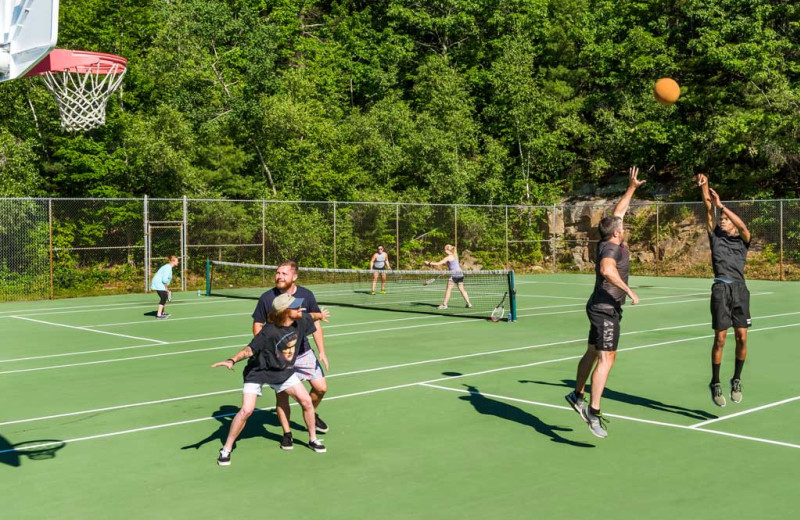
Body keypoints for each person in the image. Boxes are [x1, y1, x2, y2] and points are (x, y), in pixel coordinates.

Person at [565, 166, 643, 438]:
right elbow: (607, 271)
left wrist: (631, 187)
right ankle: (593, 412)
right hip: (605, 309)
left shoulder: (610, 235)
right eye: (622, 225)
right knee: (607, 358)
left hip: (599, 306)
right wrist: (629, 291)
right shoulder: (611, 248)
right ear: (617, 233)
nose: (624, 224)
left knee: (591, 352)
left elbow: (619, 212)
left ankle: (577, 396)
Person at [212, 293, 331, 465]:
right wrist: (232, 360)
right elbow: (249, 350)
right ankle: (226, 449)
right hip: (258, 372)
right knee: (246, 410)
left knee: (306, 401)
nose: (300, 308)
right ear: (284, 311)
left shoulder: (301, 320)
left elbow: (311, 316)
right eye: (295, 306)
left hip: (282, 371)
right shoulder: (268, 331)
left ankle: (313, 439)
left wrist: (321, 315)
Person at [252, 261, 330, 442]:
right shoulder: (267, 298)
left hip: (303, 352)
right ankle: (287, 435)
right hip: (280, 357)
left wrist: (322, 351)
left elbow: (315, 322)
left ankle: (311, 411)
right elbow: (257, 324)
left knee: (321, 388)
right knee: (282, 396)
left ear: (294, 277)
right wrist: (266, 348)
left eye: (284, 274)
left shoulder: (306, 295)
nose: (279, 276)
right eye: (277, 273)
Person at [696, 173, 751, 407]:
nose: (722, 222)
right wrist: (705, 186)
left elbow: (742, 225)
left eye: (725, 221)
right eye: (721, 220)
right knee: (720, 339)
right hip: (721, 289)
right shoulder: (715, 237)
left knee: (741, 337)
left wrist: (724, 207)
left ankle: (736, 379)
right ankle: (715, 382)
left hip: (740, 291)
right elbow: (709, 210)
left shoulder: (743, 240)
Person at [424, 244, 472, 310]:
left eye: (445, 248)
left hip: (454, 275)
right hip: (460, 274)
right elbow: (452, 266)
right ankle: (468, 303)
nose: (444, 250)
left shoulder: (449, 257)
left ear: (447, 250)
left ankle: (444, 304)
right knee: (462, 289)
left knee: (448, 290)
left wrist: (429, 263)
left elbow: (438, 263)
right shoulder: (455, 255)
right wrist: (445, 271)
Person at [150, 255, 178, 319]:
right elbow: (164, 279)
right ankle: (159, 315)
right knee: (163, 298)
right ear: (173, 261)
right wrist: (166, 288)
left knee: (164, 297)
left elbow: (167, 280)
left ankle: (162, 313)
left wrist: (166, 288)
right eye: (177, 261)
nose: (177, 262)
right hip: (158, 283)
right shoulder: (168, 267)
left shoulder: (169, 267)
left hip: (159, 283)